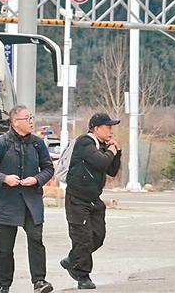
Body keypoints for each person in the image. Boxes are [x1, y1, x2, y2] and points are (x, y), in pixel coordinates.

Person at [0, 105, 55, 293]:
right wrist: (5, 178)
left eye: (31, 117)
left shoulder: (37, 143)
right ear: (15, 122)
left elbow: (48, 168)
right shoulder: (1, 143)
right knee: (5, 248)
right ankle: (4, 285)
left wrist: (36, 179)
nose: (31, 121)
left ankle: (39, 281)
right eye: (26, 118)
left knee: (36, 240)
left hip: (31, 201)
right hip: (6, 201)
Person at [60, 113, 122, 290]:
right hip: (77, 199)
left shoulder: (101, 146)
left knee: (98, 237)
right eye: (108, 127)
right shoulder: (85, 143)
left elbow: (111, 170)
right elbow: (101, 162)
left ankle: (72, 259)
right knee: (83, 239)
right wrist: (110, 152)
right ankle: (83, 277)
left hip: (94, 199)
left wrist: (117, 152)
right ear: (96, 129)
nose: (111, 131)